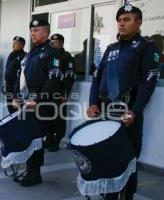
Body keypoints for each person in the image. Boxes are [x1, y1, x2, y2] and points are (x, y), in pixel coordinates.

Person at [87, 4, 160, 200]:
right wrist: (92, 102)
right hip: (105, 110)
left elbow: (148, 82)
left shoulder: (146, 47)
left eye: (127, 19)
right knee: (106, 151)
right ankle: (109, 190)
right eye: (119, 20)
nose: (121, 23)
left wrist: (134, 111)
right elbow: (96, 76)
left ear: (138, 22)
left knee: (127, 157)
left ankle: (126, 194)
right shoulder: (111, 48)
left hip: (127, 112)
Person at [12, 19, 63, 186]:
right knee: (28, 137)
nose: (33, 33)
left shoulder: (52, 52)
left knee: (36, 139)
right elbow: (20, 77)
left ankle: (35, 173)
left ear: (46, 33)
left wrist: (38, 99)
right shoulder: (31, 53)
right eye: (32, 30)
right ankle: (30, 169)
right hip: (26, 101)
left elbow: (53, 79)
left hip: (40, 104)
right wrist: (14, 96)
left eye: (37, 30)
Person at [44, 33, 75, 152]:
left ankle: (56, 142)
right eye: (51, 42)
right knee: (47, 117)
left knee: (59, 119)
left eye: (55, 43)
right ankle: (49, 139)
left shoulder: (67, 57)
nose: (53, 44)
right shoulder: (49, 56)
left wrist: (65, 93)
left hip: (59, 94)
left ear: (62, 43)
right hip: (48, 93)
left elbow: (70, 76)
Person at [4, 36, 26, 114]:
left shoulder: (24, 56)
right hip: (9, 87)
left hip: (16, 88)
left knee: (17, 111)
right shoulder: (11, 54)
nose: (13, 45)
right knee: (10, 109)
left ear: (22, 45)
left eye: (16, 43)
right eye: (13, 43)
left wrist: (16, 93)